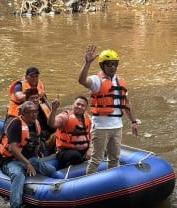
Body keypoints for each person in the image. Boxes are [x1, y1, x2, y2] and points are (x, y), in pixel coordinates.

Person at [78, 45, 139, 175]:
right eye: (109, 64)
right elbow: (82, 80)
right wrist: (87, 63)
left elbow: (126, 103)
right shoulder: (96, 81)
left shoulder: (120, 81)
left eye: (115, 64)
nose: (112, 67)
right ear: (102, 65)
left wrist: (133, 122)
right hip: (101, 127)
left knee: (114, 159)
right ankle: (90, 186)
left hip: (117, 127)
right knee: (96, 160)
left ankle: (112, 185)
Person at [0, 101, 56, 208]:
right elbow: (13, 148)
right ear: (23, 113)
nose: (34, 114)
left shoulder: (36, 123)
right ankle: (16, 205)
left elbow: (37, 142)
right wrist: (27, 164)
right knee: (18, 174)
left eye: (36, 112)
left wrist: (37, 156)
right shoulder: (16, 125)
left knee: (50, 170)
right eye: (31, 112)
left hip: (30, 160)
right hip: (11, 161)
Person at [48, 95, 92, 169]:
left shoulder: (88, 118)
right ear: (73, 104)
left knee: (101, 147)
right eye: (78, 104)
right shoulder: (65, 116)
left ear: (86, 108)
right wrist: (54, 110)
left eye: (82, 105)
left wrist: (90, 148)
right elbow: (52, 124)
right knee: (75, 156)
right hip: (65, 151)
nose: (79, 107)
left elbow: (92, 135)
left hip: (84, 150)